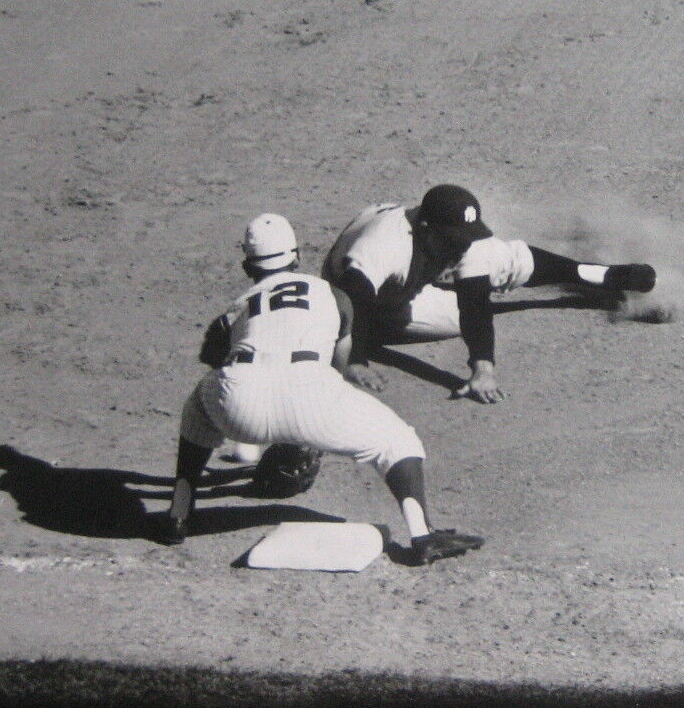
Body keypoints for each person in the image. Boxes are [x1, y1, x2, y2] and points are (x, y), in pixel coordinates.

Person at [165, 213, 484, 565]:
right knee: (398, 441)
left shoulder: (234, 309)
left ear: (247, 266)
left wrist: (257, 423)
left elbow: (214, 360)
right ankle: (423, 535)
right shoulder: (332, 294)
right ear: (297, 256)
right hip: (311, 390)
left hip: (240, 394)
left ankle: (179, 511)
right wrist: (302, 431)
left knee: (198, 405)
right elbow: (338, 367)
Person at [322, 183, 656, 404]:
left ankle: (601, 276)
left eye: (465, 235)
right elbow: (352, 300)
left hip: (411, 272)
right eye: (453, 237)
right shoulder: (384, 247)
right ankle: (368, 340)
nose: (462, 242)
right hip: (371, 296)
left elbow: (476, 304)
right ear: (425, 228)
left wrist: (483, 370)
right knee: (450, 319)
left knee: (500, 260)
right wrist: (356, 359)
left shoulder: (461, 238)